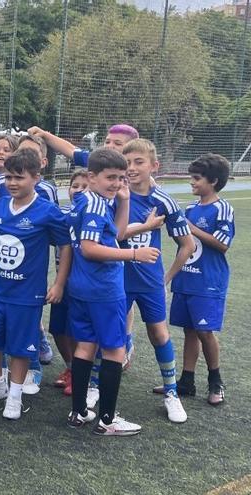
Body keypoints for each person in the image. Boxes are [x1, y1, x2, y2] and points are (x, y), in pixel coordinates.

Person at [0, 148, 72, 420]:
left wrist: (58, 283)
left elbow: (66, 247)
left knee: (20, 347)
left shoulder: (47, 212)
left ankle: (15, 394)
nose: (12, 182)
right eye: (8, 177)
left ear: (36, 178)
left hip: (27, 294)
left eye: (19, 177)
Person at [66, 148, 158, 436]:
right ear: (92, 176)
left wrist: (125, 201)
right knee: (115, 350)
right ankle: (107, 420)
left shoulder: (88, 200)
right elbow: (91, 249)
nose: (117, 184)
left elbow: (116, 234)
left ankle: (78, 412)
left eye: (121, 178)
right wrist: (134, 255)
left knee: (85, 346)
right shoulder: (95, 205)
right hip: (103, 290)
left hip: (82, 287)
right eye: (111, 178)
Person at [117, 138, 193, 423]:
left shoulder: (163, 201)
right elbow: (114, 234)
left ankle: (171, 393)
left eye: (139, 162)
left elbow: (188, 245)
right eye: (127, 163)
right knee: (109, 334)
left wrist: (166, 278)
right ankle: (96, 387)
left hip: (149, 283)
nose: (132, 168)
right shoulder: (116, 195)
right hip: (117, 279)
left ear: (154, 166)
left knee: (159, 334)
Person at [160, 153, 234, 406]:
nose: (191, 182)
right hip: (186, 279)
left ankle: (216, 381)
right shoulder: (190, 209)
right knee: (189, 330)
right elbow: (185, 244)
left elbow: (223, 244)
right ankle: (186, 381)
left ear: (213, 181)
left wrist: (191, 228)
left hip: (208, 281)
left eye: (196, 178)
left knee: (204, 330)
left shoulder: (222, 208)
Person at [50, 169, 89, 395]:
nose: (80, 190)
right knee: (57, 329)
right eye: (76, 186)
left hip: (83, 286)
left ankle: (82, 374)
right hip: (61, 282)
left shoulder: (95, 212)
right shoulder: (61, 214)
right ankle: (71, 367)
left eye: (85, 186)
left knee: (78, 331)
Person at [28, 123, 138, 167]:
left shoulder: (140, 175)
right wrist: (44, 134)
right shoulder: (98, 161)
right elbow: (71, 149)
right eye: (107, 142)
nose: (110, 146)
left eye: (117, 143)